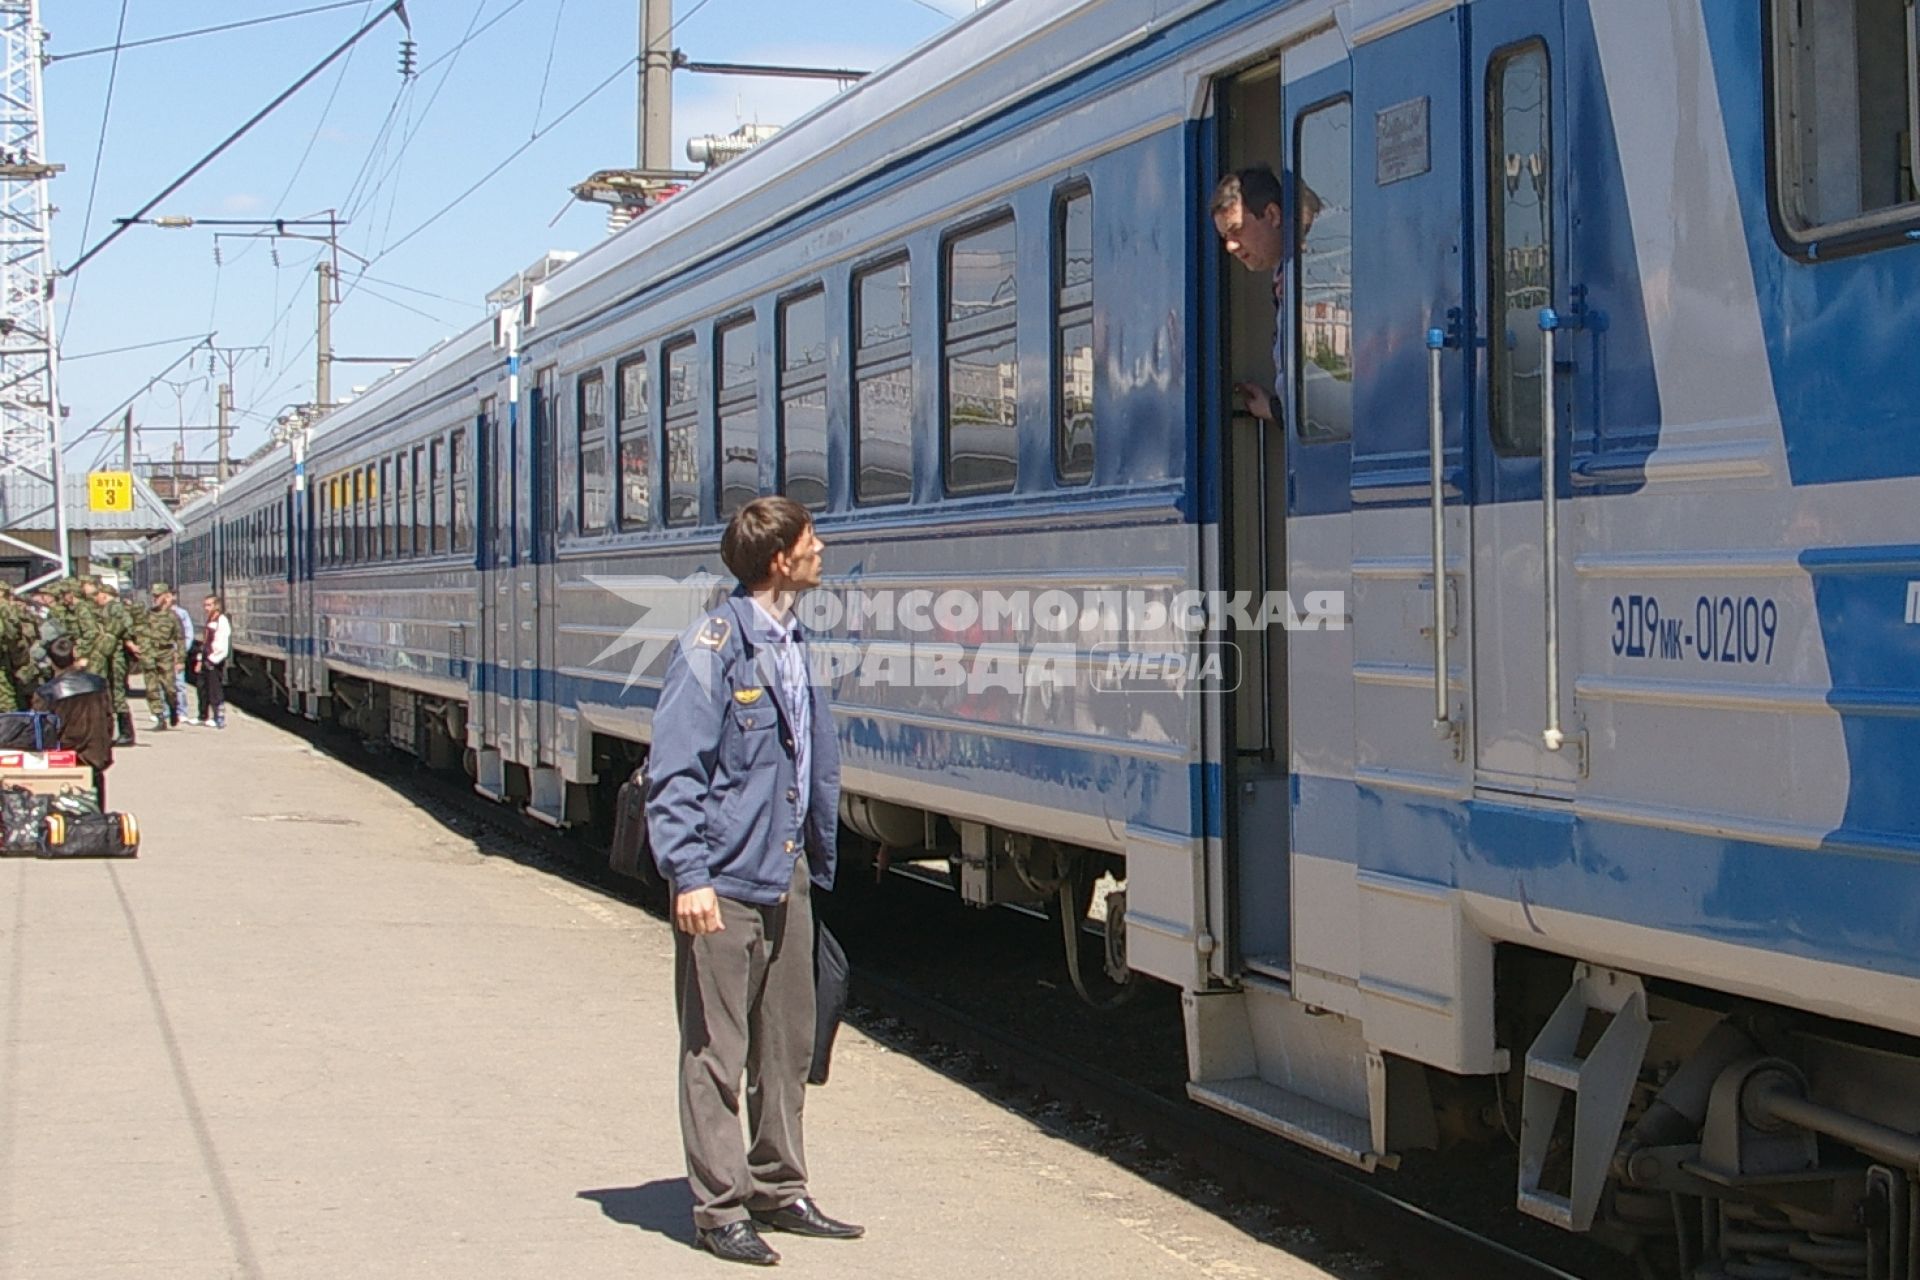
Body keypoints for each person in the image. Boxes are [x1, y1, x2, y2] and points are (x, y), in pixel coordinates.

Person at [646, 495, 859, 1267]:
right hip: (725, 881)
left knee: (786, 1042)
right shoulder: (713, 644)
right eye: (810, 539)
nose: (822, 547)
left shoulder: (791, 639)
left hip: (784, 872)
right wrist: (689, 874)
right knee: (715, 1048)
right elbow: (675, 769)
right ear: (780, 560)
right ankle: (720, 1208)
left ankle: (779, 1185)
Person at [1209, 164, 1320, 425]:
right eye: (1225, 237)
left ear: (1271, 215)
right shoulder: (1286, 276)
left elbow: (1329, 390)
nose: (1230, 246)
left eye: (1236, 230)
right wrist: (1275, 408)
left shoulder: (1314, 276)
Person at [33, 636, 113, 809]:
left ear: (51, 662)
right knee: (95, 809)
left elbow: (42, 732)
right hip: (95, 754)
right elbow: (108, 720)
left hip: (63, 759)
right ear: (74, 657)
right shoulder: (98, 684)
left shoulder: (46, 692)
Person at [138, 586, 183, 731]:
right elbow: (140, 634)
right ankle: (160, 717)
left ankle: (173, 707)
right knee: (151, 688)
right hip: (150, 654)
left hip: (166, 654)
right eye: (154, 596)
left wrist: (181, 659)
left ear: (165, 596)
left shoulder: (172, 617)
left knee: (169, 687)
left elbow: (180, 639)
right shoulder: (147, 615)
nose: (155, 599)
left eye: (158, 596)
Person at [196, 595, 231, 728]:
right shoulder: (210, 619)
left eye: (209, 605)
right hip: (206, 658)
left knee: (215, 689)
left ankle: (219, 717)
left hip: (214, 660)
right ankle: (203, 715)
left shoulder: (222, 621)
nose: (206, 608)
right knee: (202, 687)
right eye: (205, 605)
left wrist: (212, 660)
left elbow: (222, 644)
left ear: (216, 605)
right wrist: (200, 659)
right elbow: (205, 642)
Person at [164, 587, 193, 726]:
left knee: (179, 684)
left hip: (175, 654)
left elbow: (187, 635)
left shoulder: (181, 614)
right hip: (161, 655)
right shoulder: (156, 614)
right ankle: (165, 712)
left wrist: (181, 654)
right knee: (162, 684)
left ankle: (182, 712)